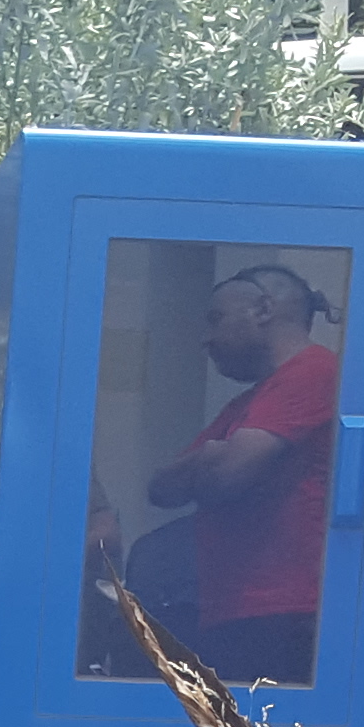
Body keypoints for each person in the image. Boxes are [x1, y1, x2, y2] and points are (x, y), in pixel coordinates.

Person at [136, 265, 341, 685]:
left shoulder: (312, 372)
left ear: (263, 309)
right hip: (238, 612)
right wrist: (208, 457)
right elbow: (160, 489)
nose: (206, 338)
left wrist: (215, 459)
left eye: (216, 319)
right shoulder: (251, 402)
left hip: (280, 614)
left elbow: (224, 477)